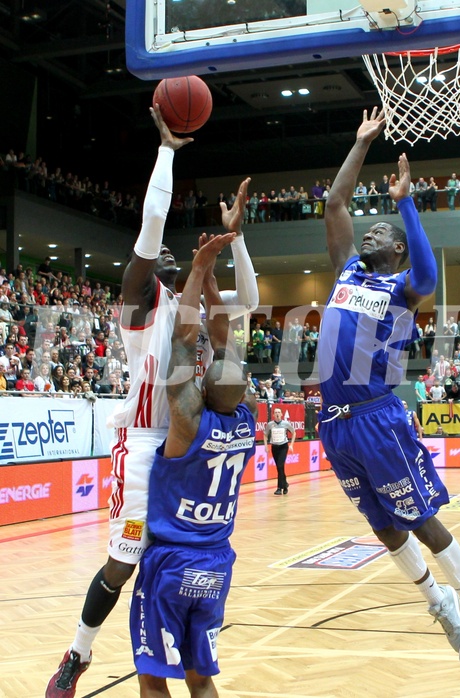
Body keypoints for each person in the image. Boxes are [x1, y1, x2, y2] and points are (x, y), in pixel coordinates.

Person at [46, 106, 259, 698]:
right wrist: (166, 152)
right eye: (157, 257)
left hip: (188, 452)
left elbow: (248, 300)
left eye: (173, 256)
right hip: (143, 450)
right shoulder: (141, 309)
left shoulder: (195, 306)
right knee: (124, 561)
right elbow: (149, 227)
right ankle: (78, 654)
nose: (162, 254)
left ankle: (184, 666)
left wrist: (234, 242)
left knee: (178, 570)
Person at [317, 108, 460, 667]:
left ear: (397, 250)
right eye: (370, 228)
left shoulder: (403, 288)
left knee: (418, 518)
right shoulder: (348, 272)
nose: (370, 231)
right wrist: (361, 143)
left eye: (384, 232)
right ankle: (440, 605)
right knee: (385, 528)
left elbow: (427, 275)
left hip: (376, 417)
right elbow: (334, 205)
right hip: (334, 424)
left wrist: (405, 203)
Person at [129, 232, 258, 696]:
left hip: (171, 562)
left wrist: (201, 266)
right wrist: (208, 287)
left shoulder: (186, 421)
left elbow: (186, 337)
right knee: (199, 678)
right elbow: (224, 346)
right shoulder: (247, 422)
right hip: (217, 562)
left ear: (202, 388)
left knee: (153, 677)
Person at [264, 406, 296, 495]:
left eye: (279, 412)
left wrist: (292, 445)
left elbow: (294, 432)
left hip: (283, 446)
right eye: (275, 412)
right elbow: (265, 434)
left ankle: (279, 488)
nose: (277, 414)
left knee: (280, 465)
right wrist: (266, 446)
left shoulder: (286, 424)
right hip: (274, 447)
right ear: (273, 414)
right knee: (279, 467)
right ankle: (285, 485)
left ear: (281, 414)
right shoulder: (270, 424)